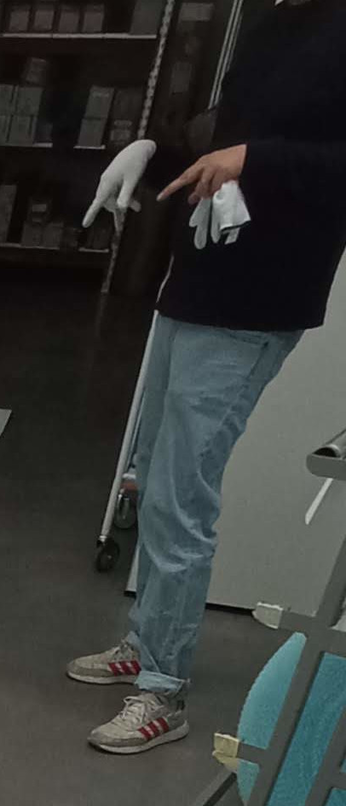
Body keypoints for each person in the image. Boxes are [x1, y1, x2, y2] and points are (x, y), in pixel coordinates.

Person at [71, 0, 346, 757]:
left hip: (259, 297)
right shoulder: (271, 21)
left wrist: (255, 160)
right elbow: (226, 133)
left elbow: (312, 160)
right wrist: (155, 151)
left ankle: (163, 689)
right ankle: (145, 641)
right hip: (198, 277)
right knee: (149, 465)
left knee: (180, 493)